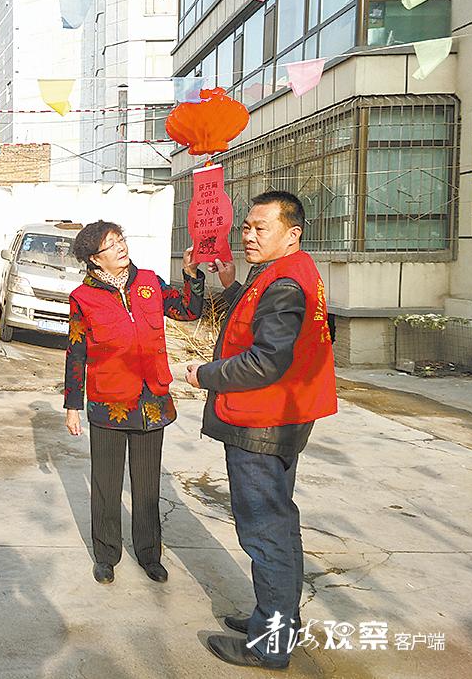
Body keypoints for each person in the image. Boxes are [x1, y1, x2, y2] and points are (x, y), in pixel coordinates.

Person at [185, 191, 337, 670]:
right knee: (280, 528)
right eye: (245, 226)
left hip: (262, 423)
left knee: (266, 533)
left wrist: (204, 374)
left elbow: (267, 359)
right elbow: (253, 322)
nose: (248, 236)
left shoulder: (286, 284)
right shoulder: (284, 272)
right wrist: (229, 285)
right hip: (281, 417)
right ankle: (273, 621)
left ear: (292, 233)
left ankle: (270, 644)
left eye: (260, 228)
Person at [64, 220, 205, 586]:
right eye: (111, 245)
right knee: (106, 484)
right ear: (95, 260)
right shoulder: (83, 298)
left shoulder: (150, 283)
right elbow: (76, 352)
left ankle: (148, 554)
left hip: (151, 400)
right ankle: (106, 554)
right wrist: (72, 404)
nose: (121, 247)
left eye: (120, 239)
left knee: (146, 484)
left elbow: (189, 311)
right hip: (108, 402)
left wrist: (191, 274)